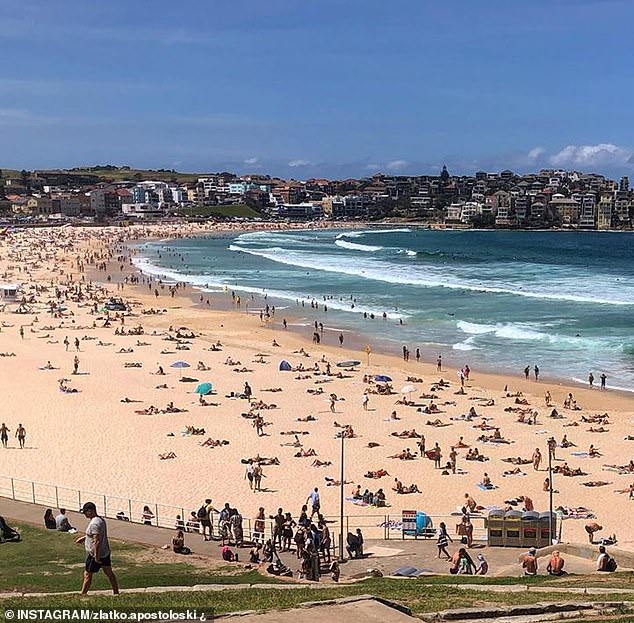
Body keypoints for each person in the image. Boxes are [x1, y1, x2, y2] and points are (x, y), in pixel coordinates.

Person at [75, 502, 119, 595]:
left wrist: (96, 557)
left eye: (85, 512)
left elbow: (97, 541)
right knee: (109, 572)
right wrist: (83, 538)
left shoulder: (94, 524)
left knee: (87, 574)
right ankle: (116, 591)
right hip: (105, 552)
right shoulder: (100, 520)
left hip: (94, 554)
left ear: (91, 511)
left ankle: (83, 594)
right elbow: (94, 535)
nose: (84, 514)